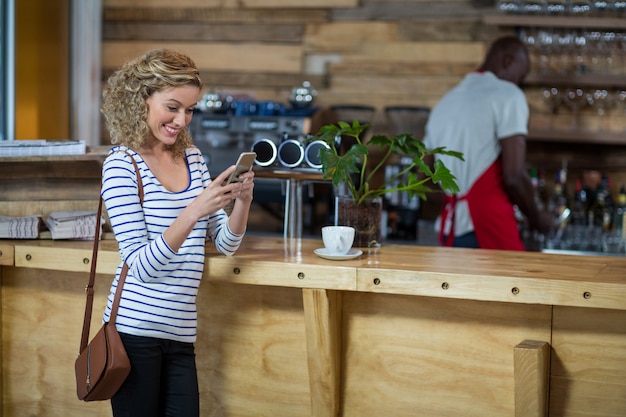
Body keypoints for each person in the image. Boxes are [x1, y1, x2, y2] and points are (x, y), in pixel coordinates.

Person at [100, 48, 255, 416]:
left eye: (189, 110)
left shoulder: (194, 159)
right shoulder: (122, 165)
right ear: (142, 100)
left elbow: (225, 243)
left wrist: (242, 202)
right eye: (172, 107)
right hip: (134, 334)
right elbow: (140, 266)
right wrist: (195, 210)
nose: (181, 120)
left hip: (181, 331)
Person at [423, 36, 552, 250]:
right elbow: (514, 176)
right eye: (521, 76)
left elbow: (422, 179)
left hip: (450, 232)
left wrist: (457, 198)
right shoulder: (508, 94)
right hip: (488, 229)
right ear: (509, 61)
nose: (519, 83)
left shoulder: (444, 103)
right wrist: (537, 219)